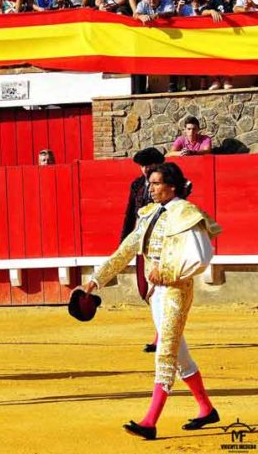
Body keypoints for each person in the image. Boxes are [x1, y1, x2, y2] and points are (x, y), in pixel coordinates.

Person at [85, 162, 222, 440]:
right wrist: (96, 279)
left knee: (166, 354)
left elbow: (201, 257)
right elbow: (125, 250)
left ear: (172, 186)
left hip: (175, 293)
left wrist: (168, 272)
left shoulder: (186, 213)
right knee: (180, 356)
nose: (151, 188)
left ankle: (150, 421)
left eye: (157, 183)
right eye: (151, 183)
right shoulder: (149, 214)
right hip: (156, 293)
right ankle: (206, 409)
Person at [120, 147, 165, 353]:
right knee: (143, 289)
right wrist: (124, 242)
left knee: (157, 291)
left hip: (160, 245)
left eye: (149, 165)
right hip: (141, 243)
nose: (145, 169)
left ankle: (161, 336)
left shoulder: (167, 184)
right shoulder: (137, 185)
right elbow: (130, 213)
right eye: (142, 165)